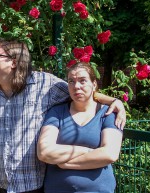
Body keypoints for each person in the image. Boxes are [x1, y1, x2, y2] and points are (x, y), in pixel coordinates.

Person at [0, 39, 126, 193]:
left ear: (14, 62)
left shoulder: (44, 85)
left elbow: (79, 91)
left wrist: (113, 100)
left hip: (30, 188)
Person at [37, 62, 123, 193]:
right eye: (71, 81)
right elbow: (44, 152)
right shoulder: (56, 112)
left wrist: (65, 163)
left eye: (83, 81)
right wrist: (88, 151)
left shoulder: (108, 113)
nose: (76, 86)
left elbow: (109, 154)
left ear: (94, 84)